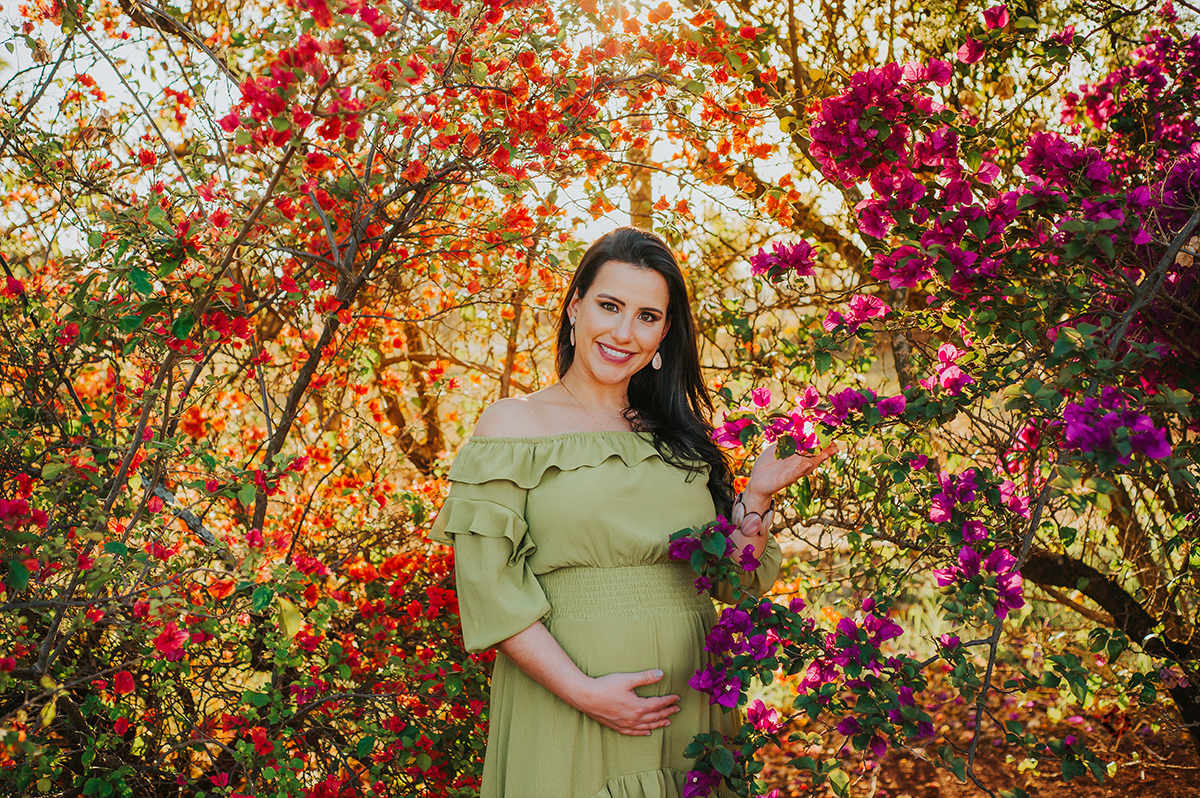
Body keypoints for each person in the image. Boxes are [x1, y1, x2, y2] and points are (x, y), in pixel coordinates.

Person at [430, 227, 835, 798]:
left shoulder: (681, 437)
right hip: (571, 701)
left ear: (665, 331)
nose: (624, 332)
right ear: (575, 307)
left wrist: (758, 495)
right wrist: (583, 692)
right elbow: (488, 588)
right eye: (610, 306)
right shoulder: (513, 427)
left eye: (647, 316)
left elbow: (732, 578)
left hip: (691, 706)